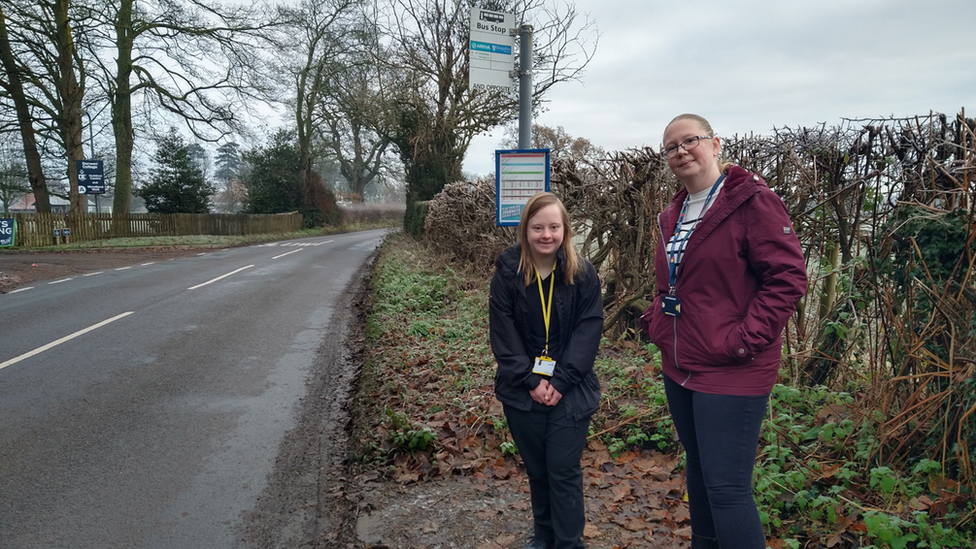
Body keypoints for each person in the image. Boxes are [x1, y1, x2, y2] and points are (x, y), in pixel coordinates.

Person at [640, 114, 808, 549]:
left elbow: (787, 277)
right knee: (697, 468)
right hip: (680, 365)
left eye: (689, 141)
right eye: (671, 147)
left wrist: (743, 340)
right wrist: (659, 322)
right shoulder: (673, 213)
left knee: (727, 490)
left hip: (732, 368)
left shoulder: (751, 202)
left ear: (715, 144)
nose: (680, 152)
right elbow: (670, 284)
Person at [489, 192, 603, 549]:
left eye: (554, 227)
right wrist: (530, 380)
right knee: (538, 472)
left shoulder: (583, 274)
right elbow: (502, 333)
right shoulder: (507, 274)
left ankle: (569, 543)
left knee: (563, 470)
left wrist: (562, 379)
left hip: (571, 388)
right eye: (538, 227)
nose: (546, 235)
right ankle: (544, 537)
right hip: (522, 389)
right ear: (525, 230)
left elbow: (589, 329)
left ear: (565, 230)